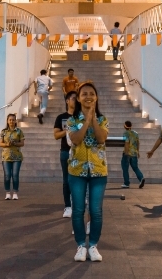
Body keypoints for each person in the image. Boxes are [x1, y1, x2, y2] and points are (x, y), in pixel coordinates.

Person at [67, 82, 109, 262]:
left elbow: (101, 138)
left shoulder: (103, 120)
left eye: (92, 93)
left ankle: (92, 245)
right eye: (84, 94)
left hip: (98, 171)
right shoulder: (71, 120)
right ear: (78, 98)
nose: (88, 96)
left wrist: (93, 119)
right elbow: (76, 140)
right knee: (77, 210)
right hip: (77, 171)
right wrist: (86, 120)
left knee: (96, 211)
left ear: (96, 97)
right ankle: (80, 246)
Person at [54, 91, 77, 218]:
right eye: (73, 98)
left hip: (79, 152)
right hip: (65, 152)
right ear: (67, 100)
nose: (76, 100)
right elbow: (56, 135)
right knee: (66, 180)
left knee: (79, 179)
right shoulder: (61, 117)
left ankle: (77, 203)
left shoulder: (80, 116)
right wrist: (67, 130)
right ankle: (67, 206)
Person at [0, 113, 25, 200]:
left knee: (15, 174)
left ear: (15, 121)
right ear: (7, 121)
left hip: (17, 157)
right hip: (6, 157)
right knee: (7, 175)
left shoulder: (19, 131)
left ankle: (15, 192)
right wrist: (7, 144)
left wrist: (15, 143)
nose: (11, 121)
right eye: (10, 120)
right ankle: (7, 192)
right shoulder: (3, 131)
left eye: (13, 120)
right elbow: (0, 143)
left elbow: (22, 143)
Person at [120, 121, 145, 189]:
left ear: (125, 126)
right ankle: (141, 178)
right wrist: (138, 152)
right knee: (135, 168)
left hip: (127, 153)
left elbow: (127, 143)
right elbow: (138, 143)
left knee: (125, 168)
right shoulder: (135, 133)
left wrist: (126, 152)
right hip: (134, 153)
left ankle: (126, 183)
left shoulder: (126, 133)